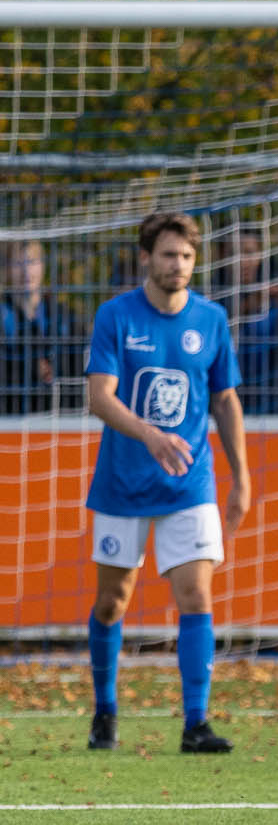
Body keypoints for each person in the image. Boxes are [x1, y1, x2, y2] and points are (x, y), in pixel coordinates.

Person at [82, 212, 251, 754]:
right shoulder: (116, 316)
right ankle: (105, 711)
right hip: (124, 481)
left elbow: (225, 401)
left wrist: (241, 478)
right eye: (167, 255)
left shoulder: (212, 320)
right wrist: (151, 435)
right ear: (147, 259)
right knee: (113, 601)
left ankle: (195, 723)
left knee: (196, 593)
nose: (177, 265)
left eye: (186, 256)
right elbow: (100, 396)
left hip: (189, 481)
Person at [215, 225, 278, 415]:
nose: (242, 261)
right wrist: (250, 303)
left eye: (249, 253)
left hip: (273, 401)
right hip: (223, 400)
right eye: (234, 253)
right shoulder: (211, 294)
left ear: (262, 254)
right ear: (222, 256)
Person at [1, 237, 85, 414]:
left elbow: (78, 363)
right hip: (10, 418)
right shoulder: (3, 316)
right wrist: (31, 367)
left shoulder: (64, 317)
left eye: (32, 261)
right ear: (7, 269)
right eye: (18, 263)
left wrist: (55, 368)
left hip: (60, 417)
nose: (26, 271)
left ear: (42, 265)